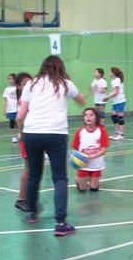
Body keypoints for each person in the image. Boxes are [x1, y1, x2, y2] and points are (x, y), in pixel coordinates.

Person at [17, 56, 85, 233]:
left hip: (31, 133)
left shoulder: (30, 84)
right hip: (56, 133)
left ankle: (33, 213)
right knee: (60, 177)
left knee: (34, 175)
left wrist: (21, 132)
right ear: (60, 68)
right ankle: (60, 223)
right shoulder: (65, 84)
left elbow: (20, 115)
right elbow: (81, 100)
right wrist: (82, 98)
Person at [72, 108, 110, 193]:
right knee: (82, 189)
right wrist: (79, 158)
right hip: (84, 164)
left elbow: (104, 149)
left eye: (91, 115)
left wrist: (94, 156)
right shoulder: (80, 131)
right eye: (86, 115)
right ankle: (78, 180)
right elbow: (75, 147)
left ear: (96, 117)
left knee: (94, 189)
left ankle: (91, 180)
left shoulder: (101, 130)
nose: (88, 117)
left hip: (96, 164)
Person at [14, 72, 33, 212]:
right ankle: (21, 199)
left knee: (32, 168)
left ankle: (28, 197)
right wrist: (20, 132)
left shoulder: (32, 98)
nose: (28, 85)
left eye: (30, 82)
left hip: (33, 134)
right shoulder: (23, 100)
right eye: (24, 83)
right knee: (28, 168)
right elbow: (19, 118)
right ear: (19, 86)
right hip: (27, 135)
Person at [102, 67, 127, 141]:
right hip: (115, 101)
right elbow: (113, 91)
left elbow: (116, 92)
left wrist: (107, 97)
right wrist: (107, 96)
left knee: (120, 118)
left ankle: (121, 134)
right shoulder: (113, 80)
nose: (109, 73)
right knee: (113, 116)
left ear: (114, 73)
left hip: (120, 101)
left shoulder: (117, 80)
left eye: (110, 72)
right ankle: (117, 133)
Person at [3, 73, 18, 143]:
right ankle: (13, 137)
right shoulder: (7, 89)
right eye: (9, 79)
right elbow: (5, 100)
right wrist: (5, 109)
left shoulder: (18, 88)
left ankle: (20, 135)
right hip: (11, 109)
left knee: (19, 123)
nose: (11, 80)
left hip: (18, 108)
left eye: (12, 79)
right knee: (12, 123)